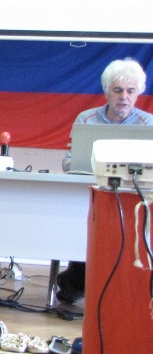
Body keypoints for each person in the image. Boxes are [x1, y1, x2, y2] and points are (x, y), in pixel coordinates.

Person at [57, 57, 153, 304]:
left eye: (130, 91)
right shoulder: (86, 119)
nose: (124, 97)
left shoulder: (148, 124)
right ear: (107, 91)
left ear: (138, 93)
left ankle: (127, 291)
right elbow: (68, 162)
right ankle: (76, 283)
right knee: (79, 234)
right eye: (118, 90)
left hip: (133, 201)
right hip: (91, 196)